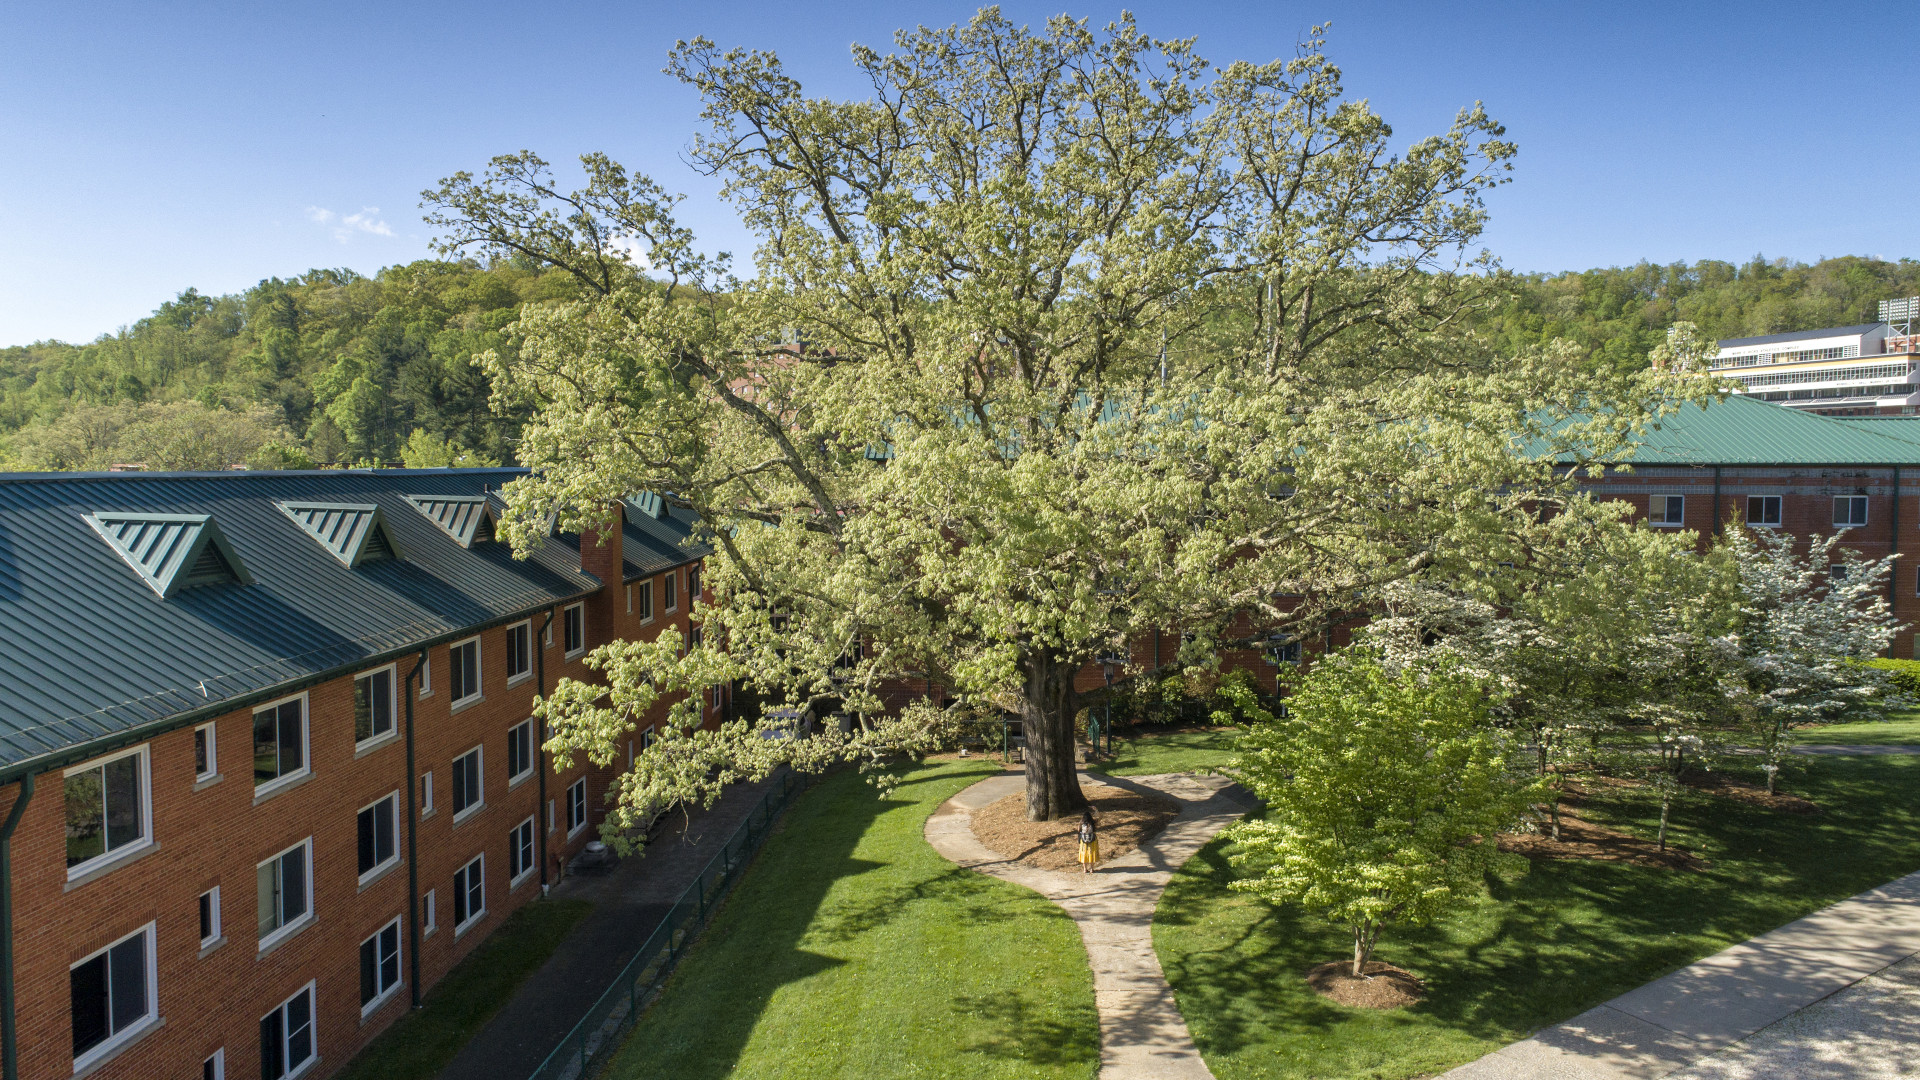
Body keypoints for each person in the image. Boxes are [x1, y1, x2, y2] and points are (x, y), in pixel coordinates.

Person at [1077, 807, 1100, 874]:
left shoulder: (1081, 823)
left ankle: (1085, 869)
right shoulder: (1093, 822)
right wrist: (1096, 810)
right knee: (1091, 854)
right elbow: (1101, 817)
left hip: (1083, 842)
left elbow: (1078, 830)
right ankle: (1092, 869)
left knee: (1084, 854)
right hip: (1092, 841)